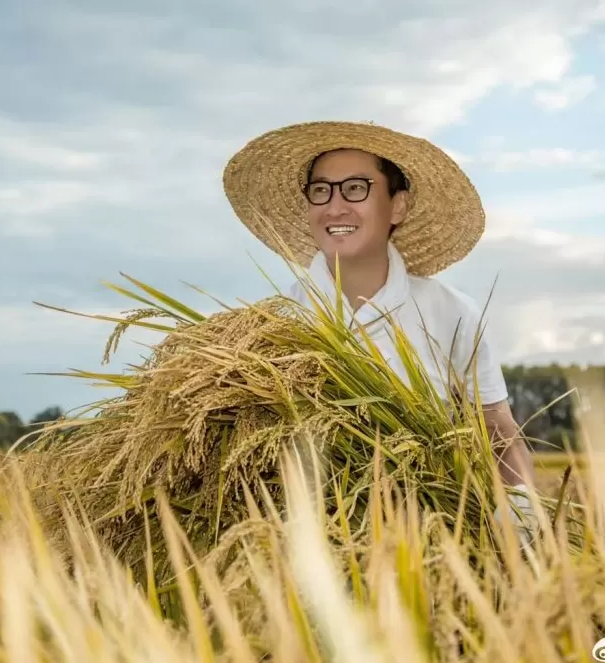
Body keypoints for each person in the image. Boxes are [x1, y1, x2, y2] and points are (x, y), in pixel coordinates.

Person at [222, 120, 538, 548]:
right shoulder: (275, 325)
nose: (335, 207)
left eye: (356, 188)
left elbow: (499, 434)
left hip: (434, 551)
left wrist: (521, 515)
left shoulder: (449, 313)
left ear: (398, 206)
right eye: (321, 190)